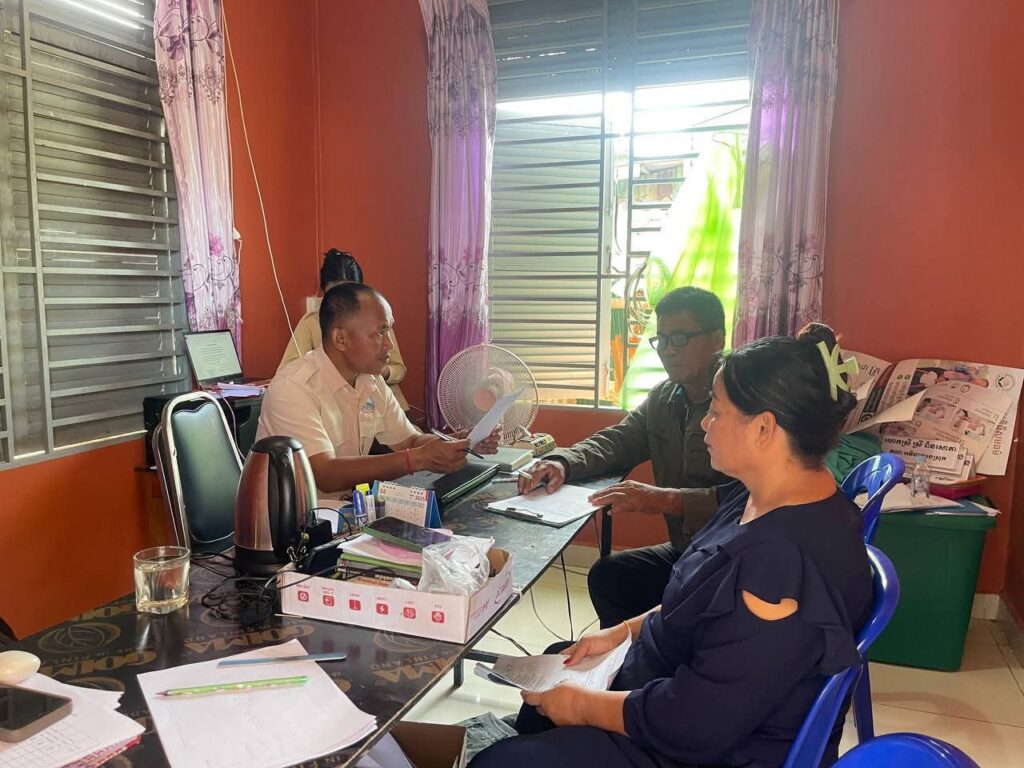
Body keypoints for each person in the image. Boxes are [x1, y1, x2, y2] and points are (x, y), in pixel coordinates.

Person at [471, 324, 872, 768]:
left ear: (763, 428)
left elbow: (698, 722)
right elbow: (702, 599)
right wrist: (622, 633)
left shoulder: (783, 564)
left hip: (705, 746)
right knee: (555, 668)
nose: (705, 423)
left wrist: (585, 708)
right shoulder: (758, 494)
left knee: (501, 760)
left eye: (716, 411)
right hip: (669, 681)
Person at [518, 287, 730, 628]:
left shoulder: (743, 405)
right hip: (686, 550)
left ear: (717, 339)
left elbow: (751, 500)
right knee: (610, 576)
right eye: (662, 340)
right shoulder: (664, 398)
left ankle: (652, 653)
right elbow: (619, 441)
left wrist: (667, 500)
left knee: (672, 608)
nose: (669, 350)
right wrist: (563, 462)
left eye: (681, 338)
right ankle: (622, 656)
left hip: (733, 560)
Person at [257, 282, 497, 499]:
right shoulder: (294, 387)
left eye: (389, 330)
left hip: (343, 514)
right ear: (341, 339)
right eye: (380, 332)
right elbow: (325, 474)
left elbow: (409, 440)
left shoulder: (370, 379)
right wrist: (417, 459)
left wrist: (460, 442)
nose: (389, 344)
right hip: (292, 525)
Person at [279, 248, 409, 410]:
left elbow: (399, 368)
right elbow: (287, 373)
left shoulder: (378, 319)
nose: (343, 304)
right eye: (335, 295)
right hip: (338, 406)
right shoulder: (311, 322)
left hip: (382, 403)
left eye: (350, 296)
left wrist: (380, 371)